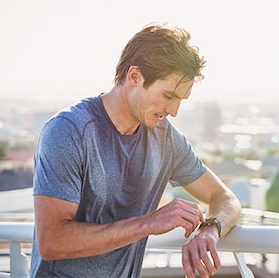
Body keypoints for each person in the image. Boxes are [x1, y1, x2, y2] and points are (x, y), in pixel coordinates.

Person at [30, 23, 242, 278]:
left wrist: (210, 229)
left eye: (180, 100)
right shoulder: (68, 131)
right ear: (134, 77)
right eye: (168, 95)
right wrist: (149, 222)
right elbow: (52, 241)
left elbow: (224, 197)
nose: (173, 111)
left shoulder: (165, 139)